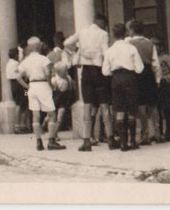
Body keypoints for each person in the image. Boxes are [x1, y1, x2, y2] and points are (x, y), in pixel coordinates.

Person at [64, 13, 111, 151]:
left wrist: (78, 50)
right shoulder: (103, 34)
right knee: (104, 104)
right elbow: (106, 51)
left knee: (87, 105)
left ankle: (86, 139)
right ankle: (110, 137)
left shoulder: (82, 32)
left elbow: (67, 43)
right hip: (99, 69)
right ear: (101, 22)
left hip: (86, 71)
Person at [17, 37, 64, 151]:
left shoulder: (26, 61)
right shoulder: (44, 59)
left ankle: (39, 142)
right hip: (43, 85)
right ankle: (51, 141)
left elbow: (18, 77)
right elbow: (48, 74)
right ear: (38, 46)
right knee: (52, 113)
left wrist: (27, 86)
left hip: (32, 86)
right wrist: (51, 85)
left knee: (35, 115)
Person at [102, 23, 144, 151]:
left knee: (119, 109)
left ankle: (123, 143)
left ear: (113, 35)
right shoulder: (131, 49)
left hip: (116, 79)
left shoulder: (109, 50)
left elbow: (105, 71)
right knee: (131, 109)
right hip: (130, 78)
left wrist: (114, 73)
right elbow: (140, 68)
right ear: (125, 33)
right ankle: (133, 141)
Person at [126, 19, 161, 145]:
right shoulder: (149, 43)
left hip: (136, 73)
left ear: (132, 30)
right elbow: (155, 63)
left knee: (140, 106)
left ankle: (144, 134)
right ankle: (156, 133)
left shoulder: (128, 43)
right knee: (152, 104)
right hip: (148, 73)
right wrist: (157, 79)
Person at [50, 61, 76, 144]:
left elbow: (72, 88)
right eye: (64, 71)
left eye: (66, 71)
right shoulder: (54, 80)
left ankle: (55, 134)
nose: (66, 72)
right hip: (55, 100)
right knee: (51, 117)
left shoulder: (68, 78)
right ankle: (47, 124)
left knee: (60, 117)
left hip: (63, 100)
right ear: (58, 72)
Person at [6, 47, 30, 134]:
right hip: (20, 85)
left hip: (14, 85)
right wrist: (27, 86)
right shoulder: (16, 64)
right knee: (21, 104)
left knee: (22, 104)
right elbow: (20, 75)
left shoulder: (9, 63)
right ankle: (19, 125)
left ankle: (20, 125)